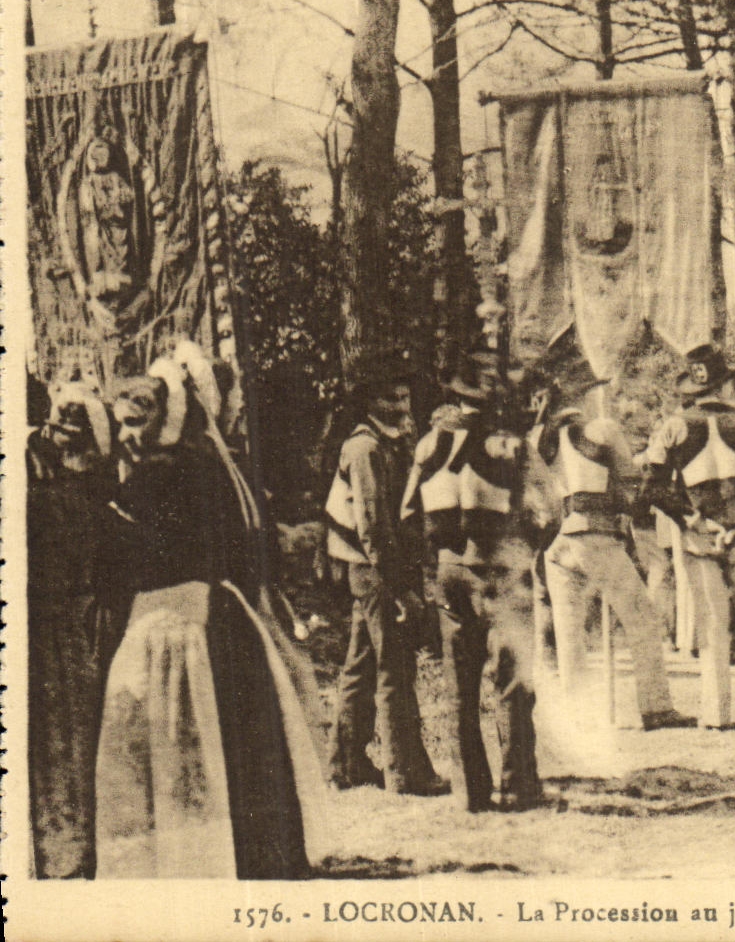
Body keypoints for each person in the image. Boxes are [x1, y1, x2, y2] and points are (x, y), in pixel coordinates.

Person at [96, 343, 326, 877]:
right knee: (242, 735)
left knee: (202, 737)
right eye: (125, 425)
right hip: (225, 614)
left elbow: (124, 560)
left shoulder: (165, 476)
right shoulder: (216, 466)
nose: (130, 436)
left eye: (138, 424)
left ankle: (229, 857)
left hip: (185, 621)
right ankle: (263, 851)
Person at [402, 358, 541, 812]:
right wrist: (531, 550)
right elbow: (552, 510)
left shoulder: (428, 444)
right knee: (513, 680)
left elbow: (406, 512)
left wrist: (429, 561)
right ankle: (518, 785)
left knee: (460, 686)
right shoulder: (512, 446)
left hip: (450, 569)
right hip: (499, 567)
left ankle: (470, 793)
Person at [642, 345, 735, 728]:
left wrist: (692, 520)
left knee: (711, 625)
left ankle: (716, 715)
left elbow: (652, 489)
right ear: (725, 385)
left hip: (699, 534)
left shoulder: (674, 426)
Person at [530, 364, 679, 744]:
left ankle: (578, 715)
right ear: (584, 396)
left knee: (569, 632)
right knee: (641, 618)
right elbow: (632, 484)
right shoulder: (602, 430)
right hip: (596, 534)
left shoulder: (538, 439)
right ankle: (656, 706)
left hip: (556, 540)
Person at [323, 368, 448, 796]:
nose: (400, 406)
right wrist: (399, 589)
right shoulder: (364, 448)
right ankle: (405, 770)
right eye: (390, 398)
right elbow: (373, 527)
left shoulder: (391, 444)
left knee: (361, 664)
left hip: (377, 565)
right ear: (370, 403)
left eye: (404, 397)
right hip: (373, 567)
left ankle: (346, 762)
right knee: (395, 664)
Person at [28, 378, 117, 878]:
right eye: (57, 424)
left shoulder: (87, 486)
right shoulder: (37, 475)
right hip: (49, 615)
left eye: (73, 428)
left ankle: (71, 842)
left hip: (72, 618)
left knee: (71, 728)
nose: (62, 435)